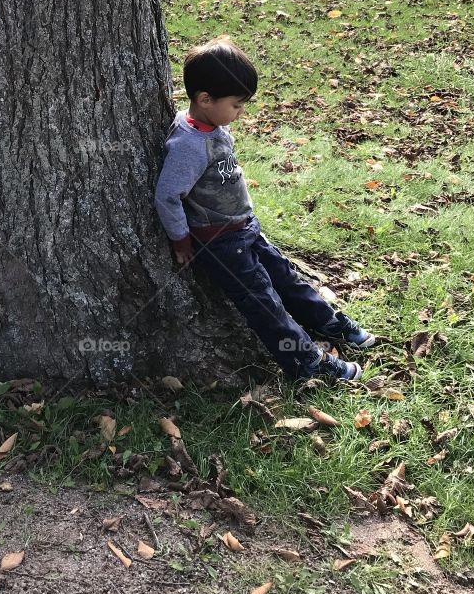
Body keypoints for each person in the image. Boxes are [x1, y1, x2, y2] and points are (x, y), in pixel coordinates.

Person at [154, 36, 375, 382]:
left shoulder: (213, 124)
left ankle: (328, 323)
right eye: (237, 105)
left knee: (286, 278)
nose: (241, 113)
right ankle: (307, 362)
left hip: (244, 227)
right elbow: (167, 195)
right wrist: (180, 239)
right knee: (262, 302)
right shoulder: (187, 145)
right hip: (220, 242)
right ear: (204, 99)